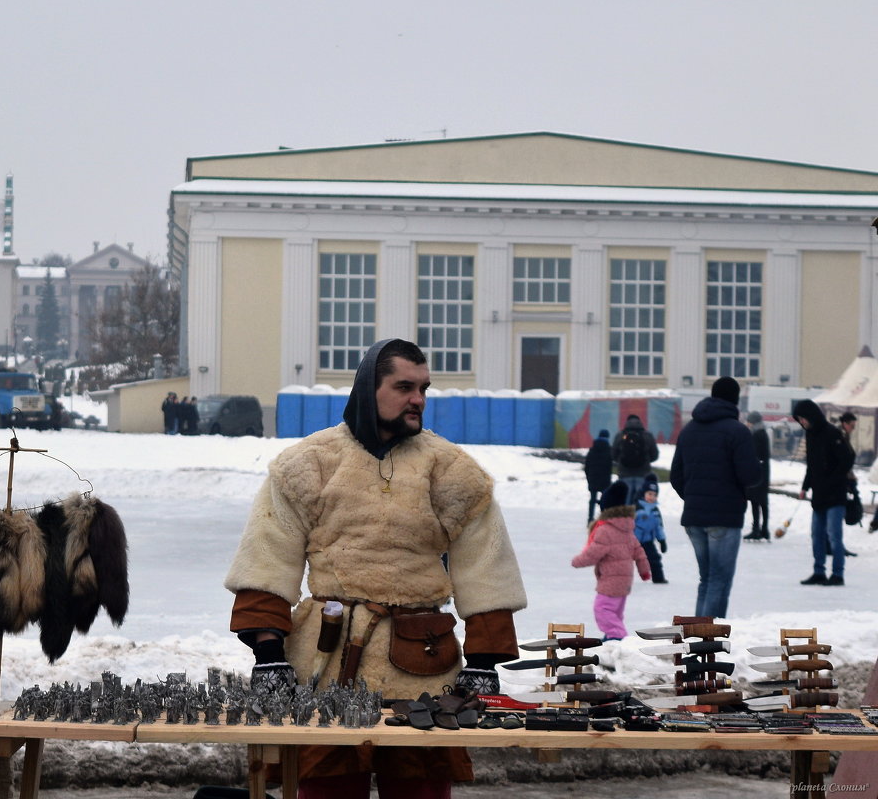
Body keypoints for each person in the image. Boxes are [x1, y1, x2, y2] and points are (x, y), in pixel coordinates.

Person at [224, 338, 526, 799]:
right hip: (326, 663)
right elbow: (268, 557)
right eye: (404, 387)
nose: (418, 399)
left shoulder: (451, 470)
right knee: (327, 788)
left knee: (420, 788)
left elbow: (487, 566)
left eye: (423, 388)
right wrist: (269, 655)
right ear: (369, 388)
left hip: (425, 665)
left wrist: (483, 661)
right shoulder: (308, 464)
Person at [669, 376, 761, 618]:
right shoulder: (738, 431)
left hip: (694, 517)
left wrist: (693, 498)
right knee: (719, 581)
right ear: (735, 399)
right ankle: (709, 643)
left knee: (706, 580)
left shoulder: (689, 429)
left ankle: (697, 641)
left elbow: (676, 476)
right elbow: (750, 476)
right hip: (725, 517)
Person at [571, 480, 651, 641]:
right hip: (625, 581)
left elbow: (593, 553)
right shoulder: (627, 529)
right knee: (615, 613)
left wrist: (577, 561)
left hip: (611, 580)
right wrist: (644, 571)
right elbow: (639, 552)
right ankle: (611, 638)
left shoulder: (605, 530)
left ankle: (619, 638)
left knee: (602, 609)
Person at [793, 400, 855, 586]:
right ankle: (819, 571)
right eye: (799, 420)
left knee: (834, 536)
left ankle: (837, 574)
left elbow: (848, 458)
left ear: (811, 416)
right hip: (819, 495)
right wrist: (805, 487)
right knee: (817, 535)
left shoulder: (832, 433)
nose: (802, 422)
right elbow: (811, 466)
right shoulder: (810, 435)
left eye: (803, 418)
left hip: (835, 495)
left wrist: (834, 479)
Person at [610, 414, 659, 505]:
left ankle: (626, 518)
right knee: (641, 500)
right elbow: (655, 455)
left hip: (624, 474)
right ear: (640, 422)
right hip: (643, 474)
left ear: (627, 422)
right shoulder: (647, 435)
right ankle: (639, 517)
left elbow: (613, 455)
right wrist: (645, 460)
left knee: (624, 500)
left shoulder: (620, 435)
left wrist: (621, 461)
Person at [743, 411, 772, 541]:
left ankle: (757, 530)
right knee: (762, 501)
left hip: (758, 471)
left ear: (753, 422)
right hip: (763, 471)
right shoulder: (762, 433)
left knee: (756, 501)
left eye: (749, 421)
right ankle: (764, 529)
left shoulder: (757, 434)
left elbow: (753, 453)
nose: (747, 424)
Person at [633, 475, 667, 583]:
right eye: (649, 494)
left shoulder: (655, 511)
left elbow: (658, 527)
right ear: (643, 494)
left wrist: (662, 541)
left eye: (654, 495)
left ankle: (658, 578)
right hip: (632, 542)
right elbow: (627, 525)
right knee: (624, 561)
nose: (652, 497)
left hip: (648, 542)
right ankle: (617, 579)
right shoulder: (636, 508)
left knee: (654, 559)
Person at [583, 429, 613, 523]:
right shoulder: (609, 450)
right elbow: (609, 467)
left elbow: (587, 466)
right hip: (605, 479)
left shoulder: (592, 450)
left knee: (592, 499)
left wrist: (589, 477)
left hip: (593, 478)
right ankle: (604, 518)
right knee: (605, 499)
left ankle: (590, 518)